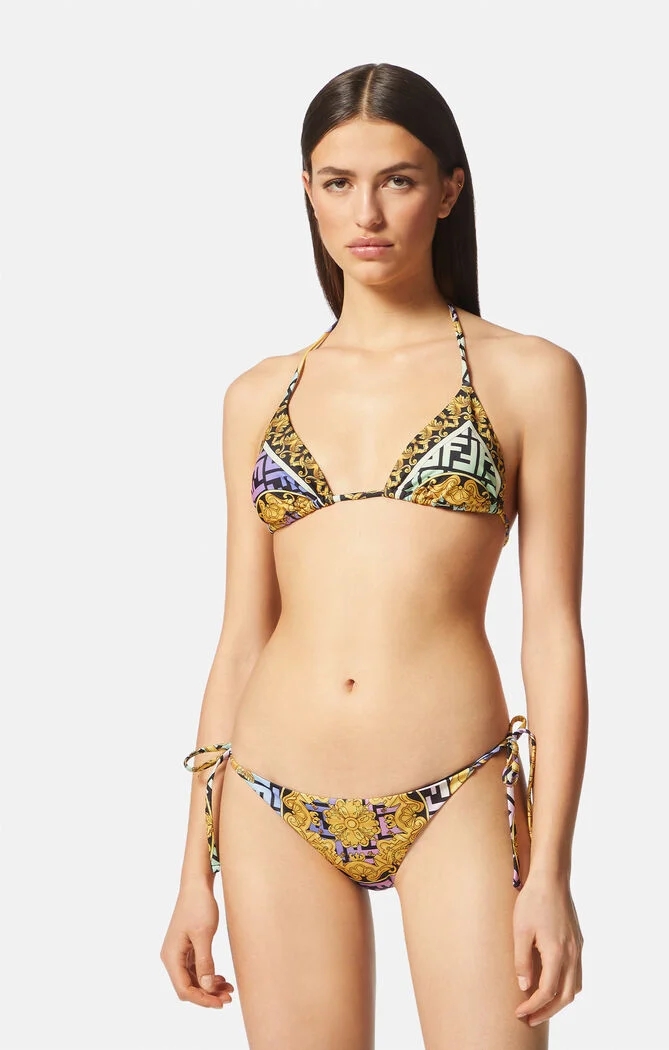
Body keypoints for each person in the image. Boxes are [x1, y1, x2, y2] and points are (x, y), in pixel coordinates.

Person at [161, 61, 587, 1050]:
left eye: (398, 179)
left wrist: (553, 872)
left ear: (447, 189)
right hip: (271, 796)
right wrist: (192, 871)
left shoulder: (530, 376)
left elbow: (554, 633)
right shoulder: (258, 394)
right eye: (338, 181)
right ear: (306, 191)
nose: (367, 212)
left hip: (458, 787)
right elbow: (240, 639)